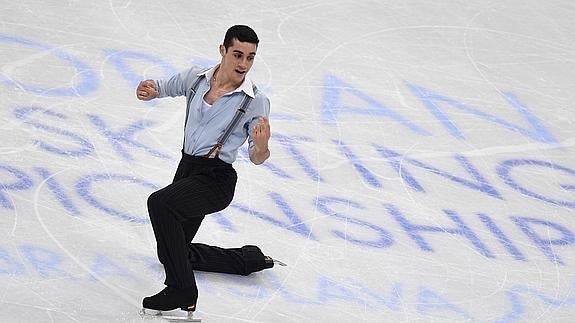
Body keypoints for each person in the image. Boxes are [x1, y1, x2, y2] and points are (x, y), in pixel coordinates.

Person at [135, 25, 282, 315]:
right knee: (172, 252)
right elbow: (165, 86)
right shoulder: (197, 79)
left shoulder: (254, 101)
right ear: (223, 50)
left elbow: (256, 156)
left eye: (250, 57)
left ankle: (183, 290)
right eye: (238, 54)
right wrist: (151, 89)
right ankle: (247, 259)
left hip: (216, 179)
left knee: (160, 204)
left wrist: (262, 146)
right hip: (187, 170)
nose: (243, 64)